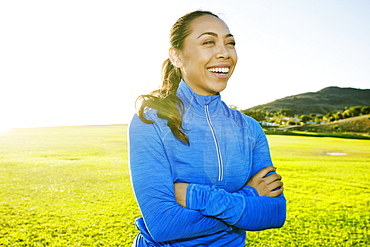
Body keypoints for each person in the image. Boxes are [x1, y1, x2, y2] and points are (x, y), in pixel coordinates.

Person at [128, 10, 286, 246]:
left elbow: (274, 213)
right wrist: (249, 198)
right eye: (208, 42)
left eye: (230, 43)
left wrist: (195, 195)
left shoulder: (250, 129)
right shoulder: (151, 121)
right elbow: (164, 224)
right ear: (177, 57)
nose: (224, 53)